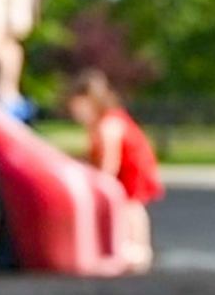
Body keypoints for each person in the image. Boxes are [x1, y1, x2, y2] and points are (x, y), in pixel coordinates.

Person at [63, 68, 162, 272]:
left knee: (129, 207)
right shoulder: (102, 123)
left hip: (131, 173)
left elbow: (109, 163)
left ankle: (137, 250)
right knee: (130, 207)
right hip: (129, 172)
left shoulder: (109, 124)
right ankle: (134, 250)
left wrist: (100, 182)